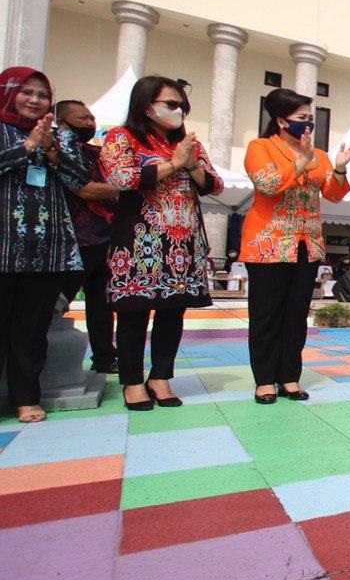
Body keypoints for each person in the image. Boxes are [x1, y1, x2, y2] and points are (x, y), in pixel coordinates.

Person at [102, 75, 223, 411]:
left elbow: (215, 185)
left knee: (173, 311)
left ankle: (161, 376)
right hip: (139, 241)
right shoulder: (121, 137)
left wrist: (190, 164)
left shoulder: (189, 145)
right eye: (171, 104)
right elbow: (121, 178)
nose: (179, 110)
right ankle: (131, 381)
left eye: (182, 105)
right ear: (146, 106)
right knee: (134, 313)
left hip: (183, 243)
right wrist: (173, 165)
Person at [242, 88, 350, 404]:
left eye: (311, 118)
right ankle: (265, 380)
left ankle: (289, 376)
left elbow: (333, 193)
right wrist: (301, 161)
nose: (308, 123)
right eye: (301, 118)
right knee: (266, 315)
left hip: (307, 244)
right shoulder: (260, 147)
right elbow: (267, 185)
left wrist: (340, 167)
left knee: (296, 315)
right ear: (281, 121)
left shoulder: (319, 155)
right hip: (269, 245)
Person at [0, 68, 88, 423]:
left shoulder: (61, 137)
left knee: (33, 329)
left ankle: (26, 397)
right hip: (4, 246)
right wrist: (27, 147)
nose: (35, 100)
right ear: (8, 93)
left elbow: (79, 179)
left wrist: (52, 150)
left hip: (47, 249)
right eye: (27, 92)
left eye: (42, 94)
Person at [56, 99, 120, 375]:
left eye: (91, 118)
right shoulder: (59, 147)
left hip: (104, 237)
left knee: (103, 304)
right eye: (81, 118)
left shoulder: (96, 152)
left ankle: (105, 357)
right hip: (72, 241)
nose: (89, 123)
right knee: (57, 301)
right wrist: (124, 187)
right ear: (62, 121)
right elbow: (84, 189)